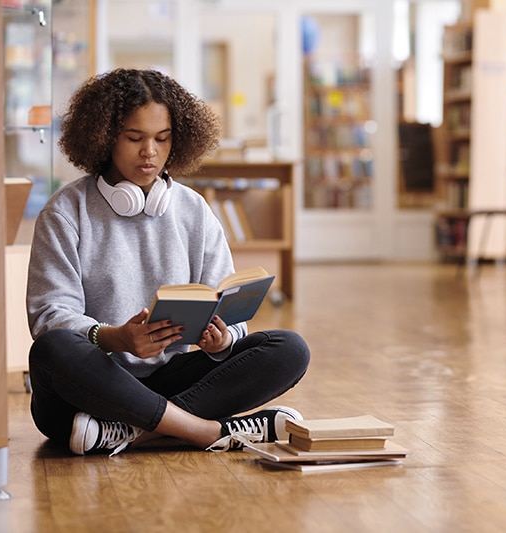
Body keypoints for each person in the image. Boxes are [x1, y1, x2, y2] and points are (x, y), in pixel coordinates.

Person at [26, 68, 310, 456]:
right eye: (134, 138)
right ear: (105, 136)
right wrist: (114, 338)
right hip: (89, 391)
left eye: (163, 138)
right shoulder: (66, 211)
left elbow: (231, 308)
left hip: (147, 394)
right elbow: (50, 315)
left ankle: (132, 432)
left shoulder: (193, 209)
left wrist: (224, 338)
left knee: (289, 348)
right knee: (52, 349)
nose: (150, 152)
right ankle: (210, 432)